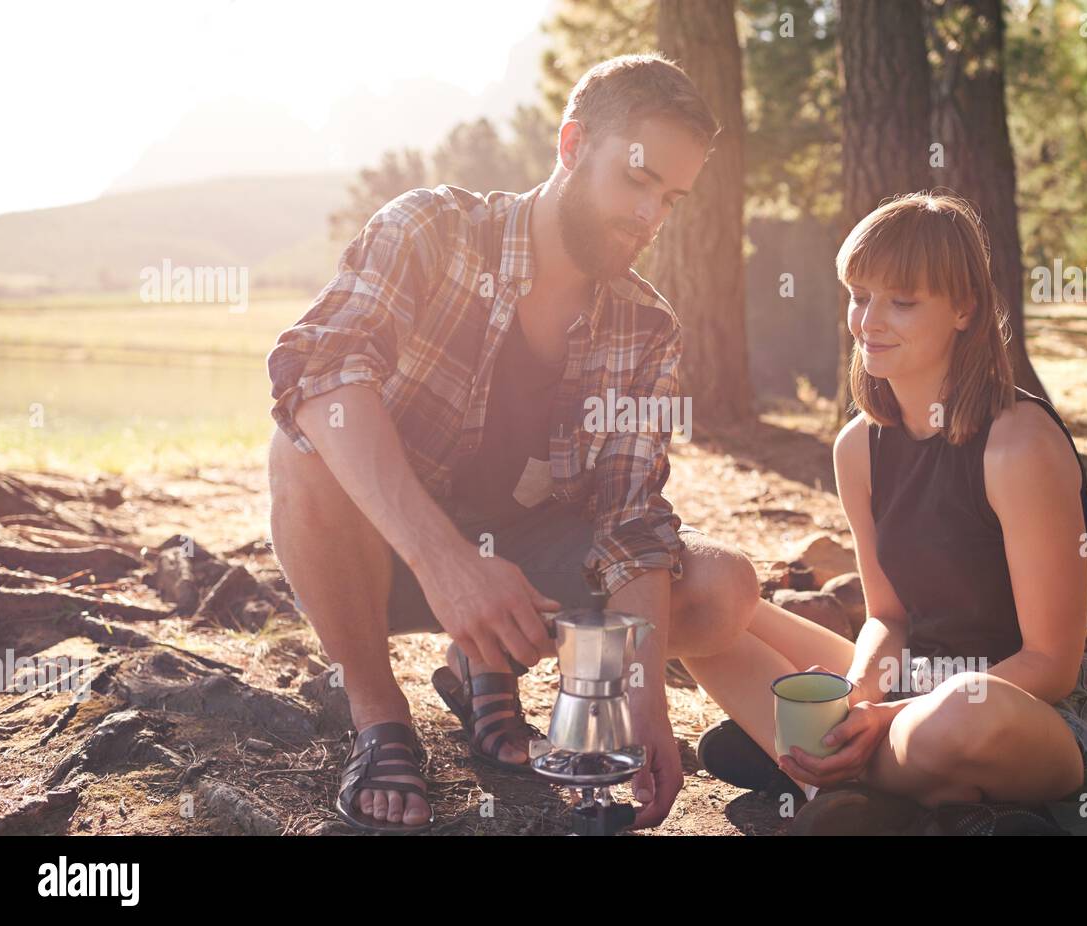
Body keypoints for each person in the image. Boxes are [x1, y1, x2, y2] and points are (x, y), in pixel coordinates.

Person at [266, 54, 761, 833]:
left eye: (670, 198)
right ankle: (380, 714)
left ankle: (484, 664)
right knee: (306, 438)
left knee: (720, 589)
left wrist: (643, 697)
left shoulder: (648, 326)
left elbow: (631, 518)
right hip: (379, 555)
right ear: (571, 147)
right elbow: (315, 370)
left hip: (523, 574)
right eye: (636, 181)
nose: (649, 217)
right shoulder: (431, 228)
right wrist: (447, 562)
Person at [688, 191, 1087, 827]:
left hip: (1030, 710)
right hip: (911, 683)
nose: (868, 321)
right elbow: (887, 616)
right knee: (703, 601)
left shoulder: (1019, 444)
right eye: (859, 296)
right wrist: (859, 693)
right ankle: (863, 784)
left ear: (965, 308)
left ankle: (820, 772)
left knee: (960, 717)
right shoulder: (859, 446)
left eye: (902, 302)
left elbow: (1052, 665)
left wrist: (887, 716)